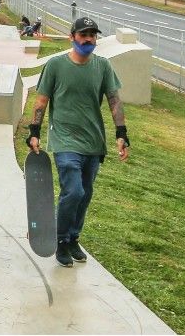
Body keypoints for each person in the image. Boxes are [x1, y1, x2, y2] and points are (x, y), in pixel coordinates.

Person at [27, 16, 130, 267]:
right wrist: (34, 131)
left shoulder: (103, 66)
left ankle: (74, 237)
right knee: (73, 190)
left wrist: (121, 133)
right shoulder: (55, 66)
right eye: (84, 35)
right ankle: (60, 240)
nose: (89, 39)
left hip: (93, 142)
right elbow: (41, 102)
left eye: (93, 35)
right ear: (72, 37)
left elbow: (114, 101)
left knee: (85, 195)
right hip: (64, 140)